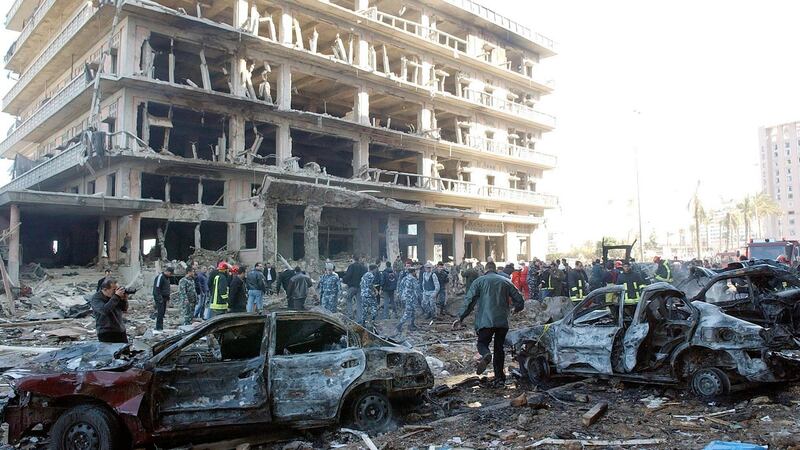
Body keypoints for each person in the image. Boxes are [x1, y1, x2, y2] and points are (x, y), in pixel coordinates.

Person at [454, 261, 524, 386]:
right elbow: (519, 299)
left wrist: (460, 317)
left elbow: (469, 301)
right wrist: (516, 309)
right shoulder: (506, 281)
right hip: (502, 322)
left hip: (485, 321)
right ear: (495, 269)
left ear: (485, 270)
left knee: (482, 343)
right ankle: (500, 378)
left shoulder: (479, 281)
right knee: (499, 349)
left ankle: (486, 354)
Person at [90, 278, 129, 343]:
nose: (116, 291)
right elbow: (104, 310)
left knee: (125, 352)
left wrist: (124, 299)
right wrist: (116, 296)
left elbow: (124, 308)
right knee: (110, 352)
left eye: (117, 289)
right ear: (105, 289)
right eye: (114, 290)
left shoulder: (115, 296)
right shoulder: (96, 298)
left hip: (120, 330)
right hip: (106, 332)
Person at [395, 265, 420, 333]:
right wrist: (419, 297)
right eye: (415, 271)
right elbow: (416, 289)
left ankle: (412, 324)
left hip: (405, 297)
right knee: (408, 312)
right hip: (411, 298)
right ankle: (399, 325)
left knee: (413, 311)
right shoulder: (413, 279)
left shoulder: (404, 278)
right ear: (413, 272)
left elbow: (400, 287)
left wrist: (400, 296)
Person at [152, 267, 174, 331]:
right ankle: (158, 327)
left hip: (165, 298)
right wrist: (159, 299)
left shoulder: (167, 278)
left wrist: (168, 298)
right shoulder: (160, 277)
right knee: (160, 312)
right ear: (168, 272)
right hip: (160, 298)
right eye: (170, 274)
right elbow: (156, 289)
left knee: (162, 313)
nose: (171, 275)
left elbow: (167, 289)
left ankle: (160, 326)